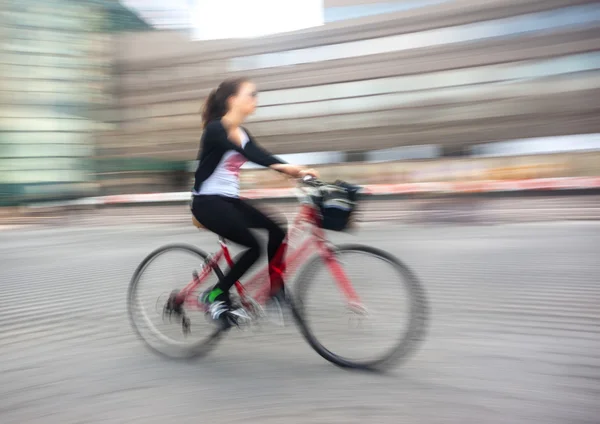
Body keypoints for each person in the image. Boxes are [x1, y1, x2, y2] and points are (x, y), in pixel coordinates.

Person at [191, 77, 318, 326]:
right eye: (251, 94)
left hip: (228, 201)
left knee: (277, 229)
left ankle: (275, 291)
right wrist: (290, 170)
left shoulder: (242, 132)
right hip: (207, 203)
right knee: (254, 247)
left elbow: (261, 154)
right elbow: (248, 155)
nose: (255, 99)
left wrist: (294, 170)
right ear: (232, 100)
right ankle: (215, 294)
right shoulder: (216, 129)